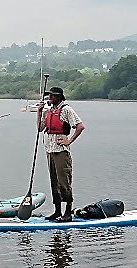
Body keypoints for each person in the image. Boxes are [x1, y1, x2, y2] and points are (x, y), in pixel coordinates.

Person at [37, 87, 85, 222]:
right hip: (50, 150)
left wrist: (69, 140)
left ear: (59, 97)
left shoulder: (66, 110)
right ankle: (57, 211)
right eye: (49, 95)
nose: (49, 98)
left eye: (52, 96)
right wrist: (39, 112)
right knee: (54, 181)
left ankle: (68, 212)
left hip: (61, 151)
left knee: (64, 181)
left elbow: (80, 126)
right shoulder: (48, 111)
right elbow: (40, 128)